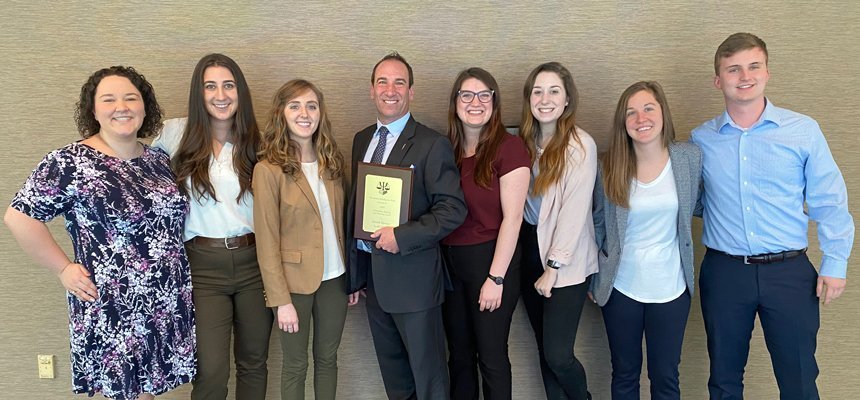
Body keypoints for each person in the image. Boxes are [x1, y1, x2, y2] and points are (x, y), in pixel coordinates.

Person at [4, 66, 196, 399]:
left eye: (131, 98)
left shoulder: (157, 161)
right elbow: (19, 217)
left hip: (163, 299)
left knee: (148, 391)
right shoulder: (70, 161)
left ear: (144, 107)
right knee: (124, 392)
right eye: (108, 99)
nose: (121, 106)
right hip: (112, 300)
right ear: (93, 111)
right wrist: (63, 268)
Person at [692, 32, 854, 399]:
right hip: (725, 272)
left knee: (798, 379)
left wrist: (836, 262)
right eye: (733, 69)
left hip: (790, 273)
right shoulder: (701, 139)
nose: (744, 76)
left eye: (753, 66)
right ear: (719, 80)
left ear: (767, 72)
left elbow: (830, 199)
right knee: (723, 379)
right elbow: (691, 199)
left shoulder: (803, 131)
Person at [345, 52, 467, 400]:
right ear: (372, 90)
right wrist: (357, 275)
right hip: (375, 284)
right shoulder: (361, 139)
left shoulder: (432, 144)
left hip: (414, 284)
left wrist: (402, 236)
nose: (390, 89)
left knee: (429, 381)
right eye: (383, 81)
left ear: (411, 92)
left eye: (400, 82)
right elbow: (357, 208)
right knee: (396, 381)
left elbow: (453, 209)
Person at [151, 53, 272, 400]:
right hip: (202, 268)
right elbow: (127, 153)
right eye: (210, 86)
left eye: (228, 85)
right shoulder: (174, 133)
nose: (221, 94)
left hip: (254, 264)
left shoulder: (258, 142)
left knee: (253, 363)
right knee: (211, 370)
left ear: (240, 91)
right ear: (199, 93)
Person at [591, 81, 702, 400]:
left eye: (649, 108)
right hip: (621, 287)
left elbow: (704, 203)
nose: (641, 118)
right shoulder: (608, 165)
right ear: (623, 122)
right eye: (631, 112)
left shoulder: (688, 158)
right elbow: (597, 221)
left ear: (663, 113)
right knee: (624, 374)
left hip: (672, 288)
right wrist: (594, 278)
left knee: (666, 376)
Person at [253, 79, 359, 400]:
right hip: (293, 285)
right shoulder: (268, 170)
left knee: (328, 359)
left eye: (311, 106)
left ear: (320, 113)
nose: (304, 113)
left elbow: (345, 223)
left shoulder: (332, 162)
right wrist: (280, 299)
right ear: (281, 114)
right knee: (296, 365)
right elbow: (266, 241)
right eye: (295, 106)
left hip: (335, 280)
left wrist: (354, 277)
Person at [441, 67, 530, 400]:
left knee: (491, 357)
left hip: (491, 261)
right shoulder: (446, 149)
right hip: (451, 265)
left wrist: (496, 279)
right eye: (466, 94)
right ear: (455, 102)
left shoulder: (510, 148)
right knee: (460, 356)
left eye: (483, 95)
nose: (475, 102)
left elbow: (514, 218)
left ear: (494, 101)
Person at [518, 61, 597, 400]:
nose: (545, 98)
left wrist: (553, 267)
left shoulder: (580, 145)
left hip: (565, 263)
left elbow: (574, 212)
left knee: (558, 354)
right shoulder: (521, 142)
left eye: (554, 91)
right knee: (543, 351)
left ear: (567, 100)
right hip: (527, 252)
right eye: (538, 91)